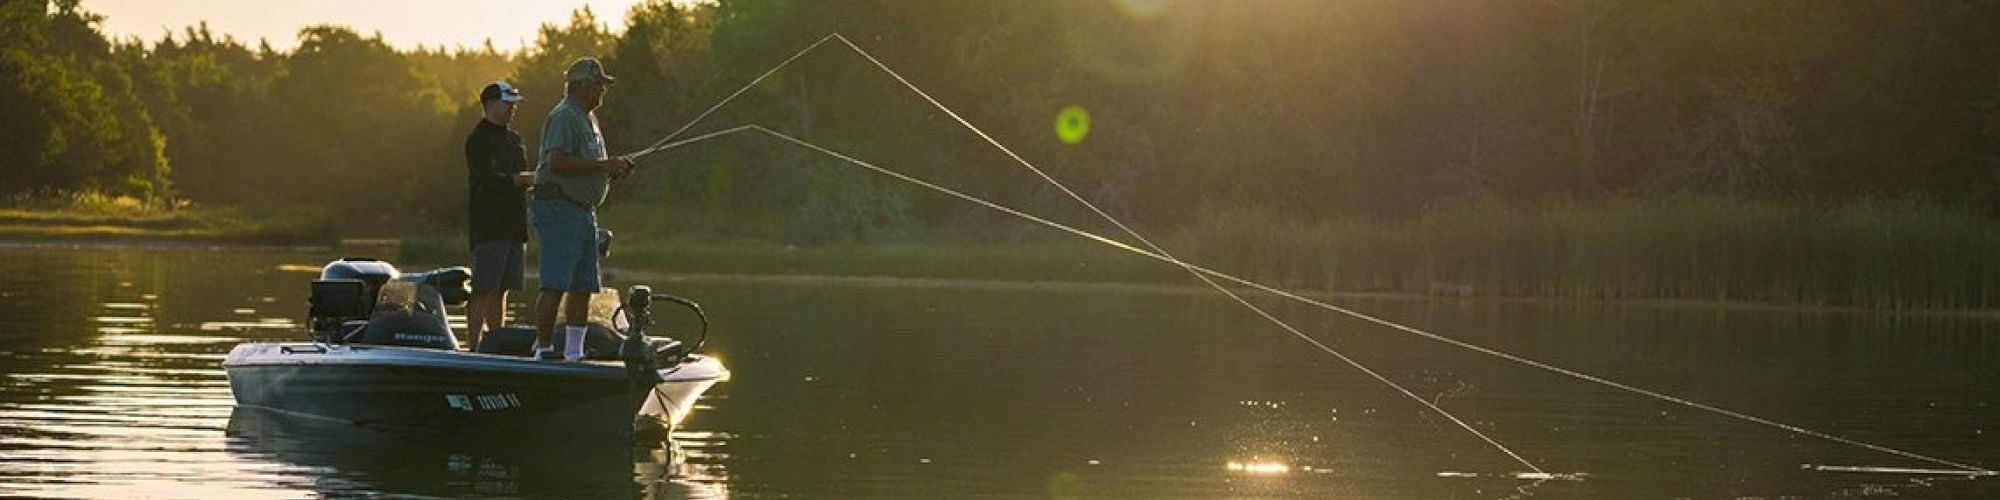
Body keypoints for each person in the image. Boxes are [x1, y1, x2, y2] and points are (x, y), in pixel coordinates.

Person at [529, 57, 634, 361]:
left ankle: (574, 353)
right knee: (555, 283)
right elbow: (557, 162)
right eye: (599, 85)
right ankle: (544, 350)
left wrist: (612, 170)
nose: (603, 90)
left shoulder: (590, 119)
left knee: (583, 285)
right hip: (558, 208)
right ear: (582, 86)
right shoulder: (564, 116)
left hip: (583, 211)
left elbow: (588, 165)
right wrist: (604, 165)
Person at [462, 81, 532, 350]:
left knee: (502, 288)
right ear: (490, 105)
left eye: (514, 104)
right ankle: (473, 345)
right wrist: (520, 179)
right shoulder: (477, 139)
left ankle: (496, 343)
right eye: (507, 103)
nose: (512, 109)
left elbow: (521, 177)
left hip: (514, 224)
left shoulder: (515, 140)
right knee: (483, 287)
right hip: (489, 225)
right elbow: (487, 179)